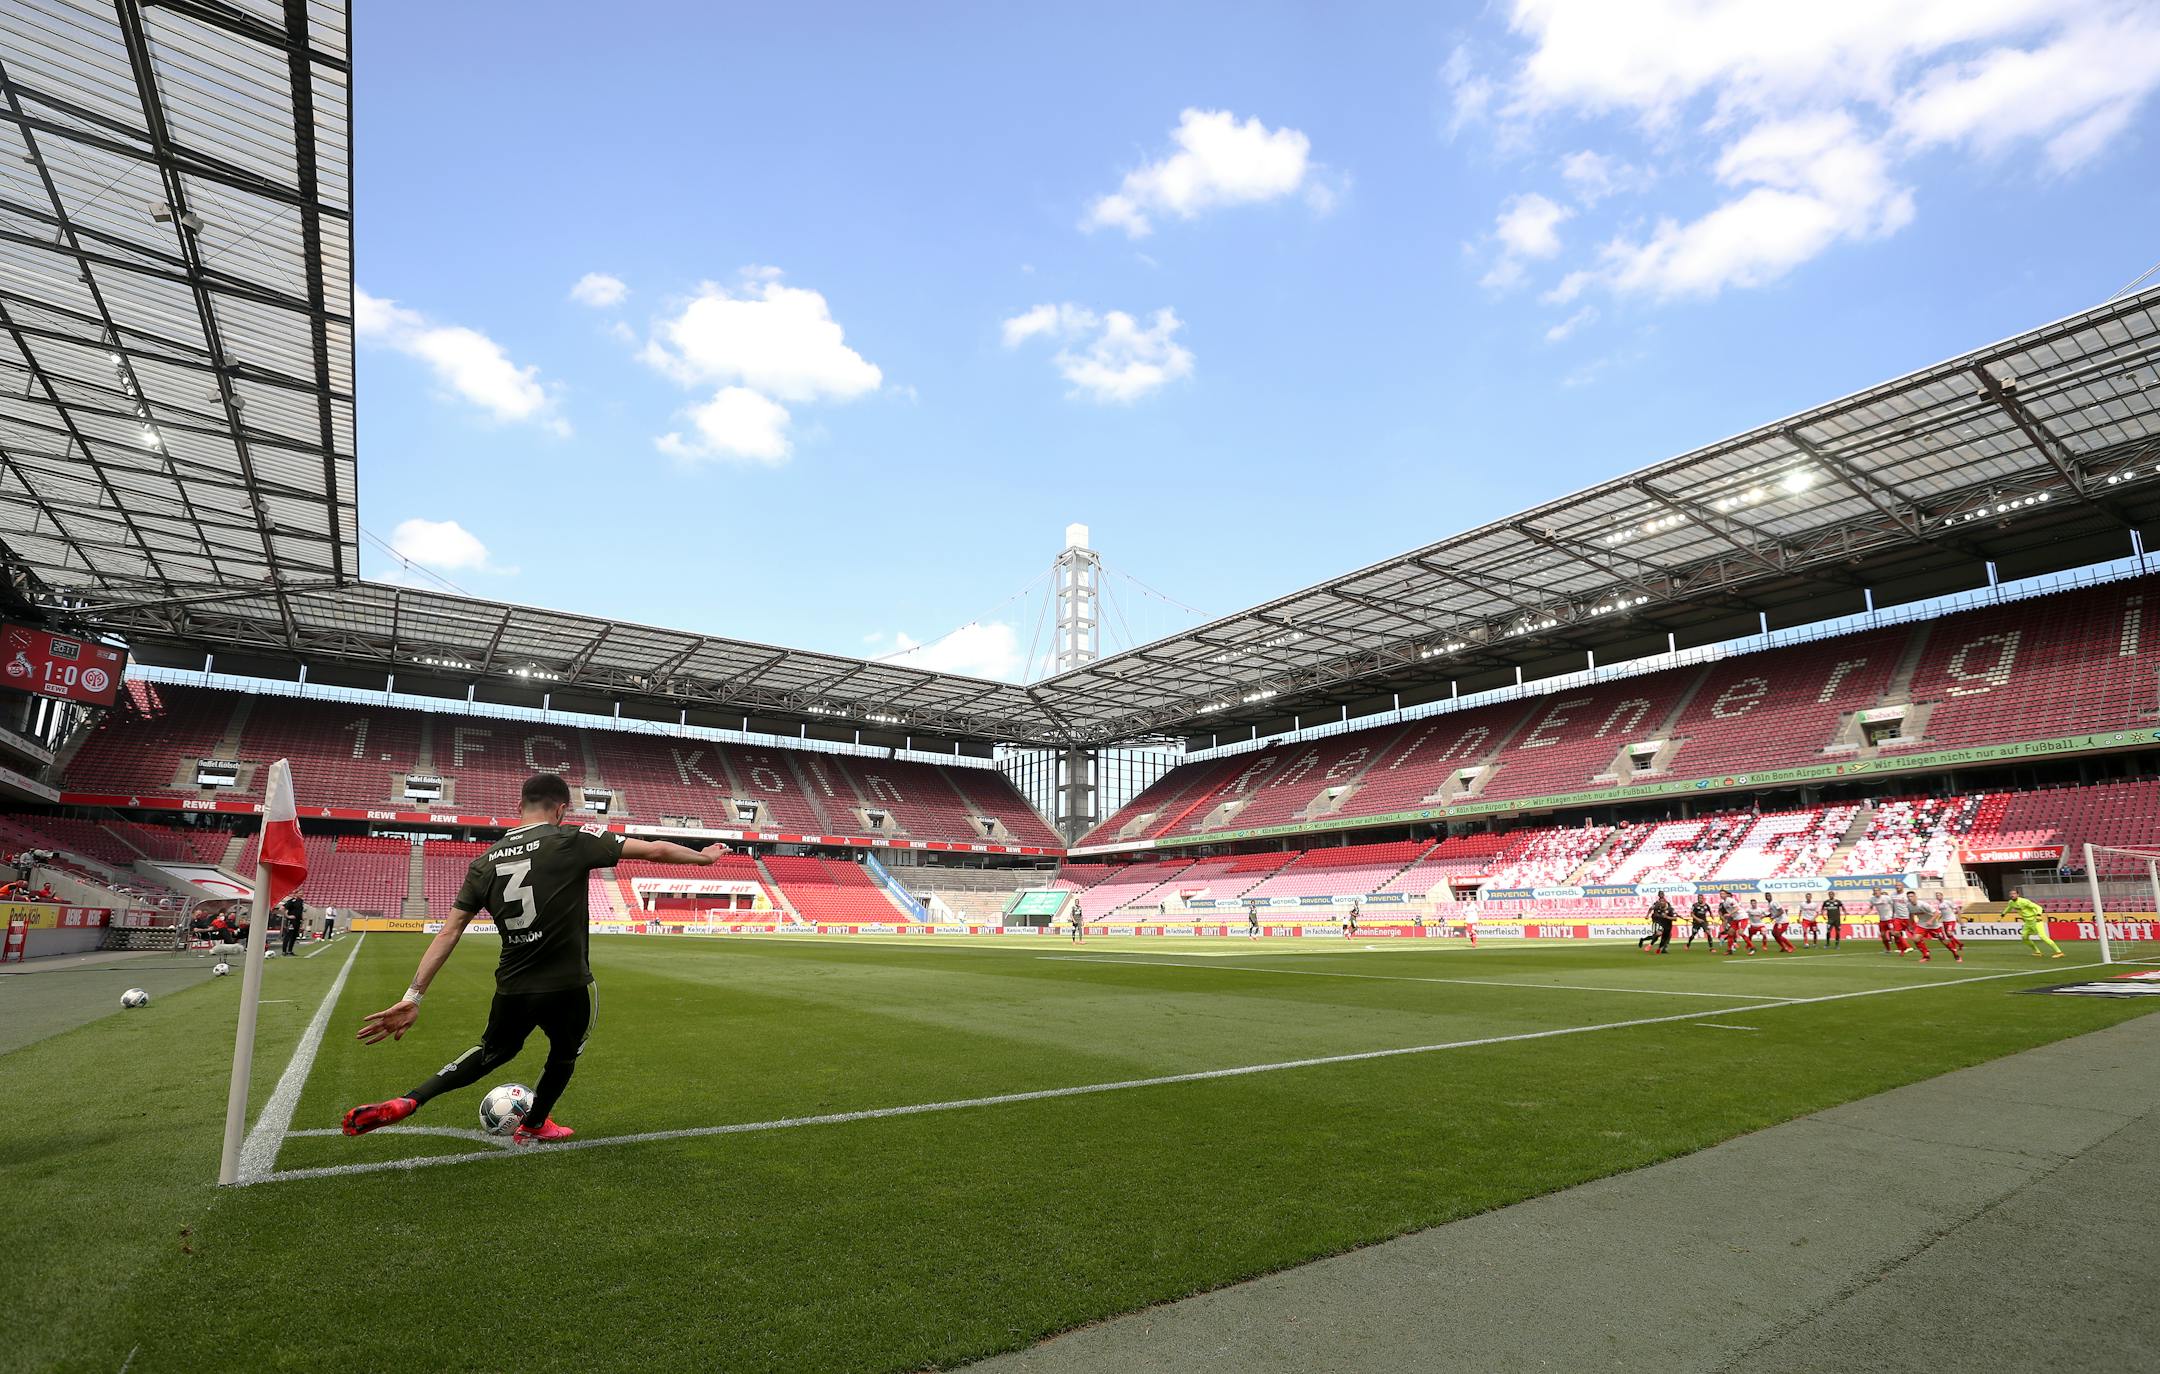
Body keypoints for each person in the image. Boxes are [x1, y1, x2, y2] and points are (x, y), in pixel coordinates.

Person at [342, 774, 725, 1145]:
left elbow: (449, 932)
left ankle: (413, 1099)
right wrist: (704, 858)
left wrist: (414, 996)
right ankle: (536, 1123)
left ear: (519, 807)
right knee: (565, 1052)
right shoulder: (572, 839)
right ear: (561, 809)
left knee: (492, 1052)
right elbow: (656, 849)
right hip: (569, 983)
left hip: (514, 985)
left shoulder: (484, 863)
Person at [2005, 888, 2063, 959]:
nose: (2012, 895)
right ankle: (2037, 952)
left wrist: (2038, 915)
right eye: (2011, 894)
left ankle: (2059, 952)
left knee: (2042, 936)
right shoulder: (2011, 902)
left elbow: (2038, 907)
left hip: (2036, 920)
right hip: (2027, 922)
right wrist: (2002, 914)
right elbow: (2008, 908)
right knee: (2024, 937)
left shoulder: (2024, 901)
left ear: (2018, 895)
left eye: (2014, 893)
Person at [1910, 894, 1963, 963]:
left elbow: (1936, 913)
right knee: (1915, 939)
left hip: (1934, 925)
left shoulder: (1923, 905)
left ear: (1915, 897)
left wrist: (1931, 921)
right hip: (1922, 924)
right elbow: (1911, 915)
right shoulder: (1909, 906)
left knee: (1944, 941)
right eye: (1908, 897)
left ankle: (1956, 955)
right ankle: (1926, 955)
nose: (1910, 898)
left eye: (1911, 896)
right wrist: (1911, 925)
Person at [1884, 887, 1914, 956]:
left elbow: (1911, 905)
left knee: (1914, 933)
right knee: (1895, 933)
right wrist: (1892, 914)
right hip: (1897, 917)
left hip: (1907, 917)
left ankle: (1922, 948)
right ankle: (1905, 948)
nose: (1898, 887)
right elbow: (1893, 906)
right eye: (1896, 885)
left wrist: (1911, 915)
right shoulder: (1893, 895)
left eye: (1899, 885)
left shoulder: (1906, 895)